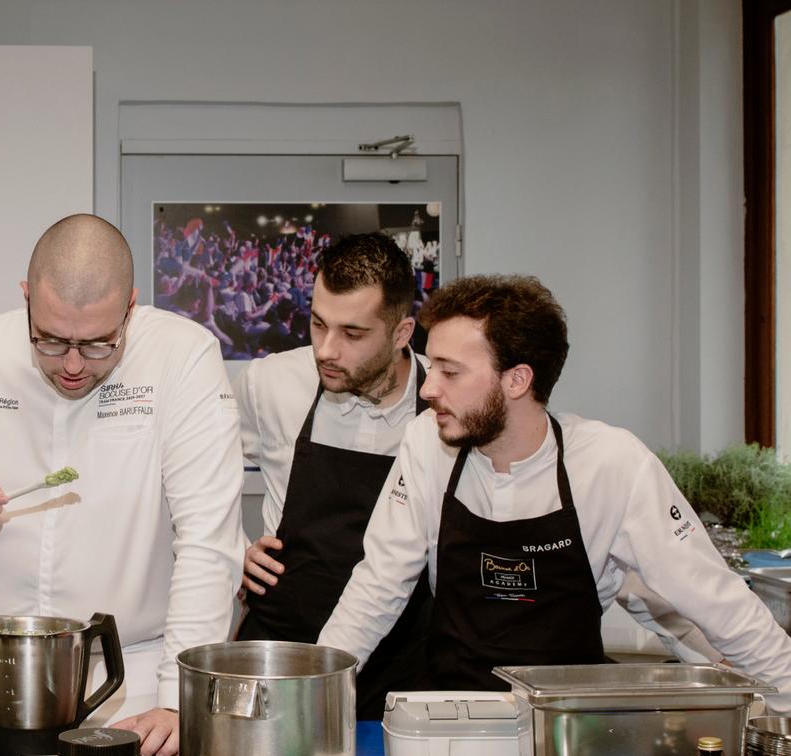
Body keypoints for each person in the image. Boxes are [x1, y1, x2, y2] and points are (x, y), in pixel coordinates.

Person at [317, 275, 791, 712]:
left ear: (517, 380)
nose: (428, 389)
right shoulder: (427, 442)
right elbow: (376, 586)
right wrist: (311, 694)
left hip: (571, 732)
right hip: (452, 720)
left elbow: (717, 600)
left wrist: (785, 700)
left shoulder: (610, 463)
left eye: (450, 372)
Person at [0, 214, 243, 756]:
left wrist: (175, 697)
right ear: (25, 298)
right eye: (49, 341)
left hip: (131, 677)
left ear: (131, 308)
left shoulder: (182, 357)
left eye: (98, 345)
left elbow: (207, 540)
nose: (72, 366)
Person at [236, 233, 432, 719]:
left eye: (352, 333)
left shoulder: (441, 404)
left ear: (402, 333)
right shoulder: (271, 385)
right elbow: (190, 477)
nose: (326, 349)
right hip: (277, 653)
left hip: (401, 665)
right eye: (318, 324)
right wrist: (228, 548)